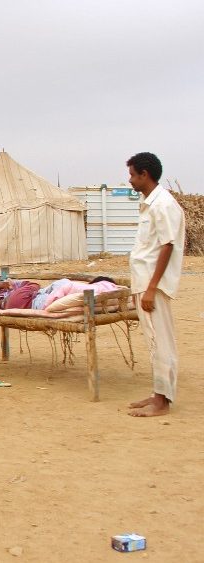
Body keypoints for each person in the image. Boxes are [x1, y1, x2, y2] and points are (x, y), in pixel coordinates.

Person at [125, 152, 185, 417]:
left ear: (144, 175)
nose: (130, 180)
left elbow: (167, 246)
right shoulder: (150, 203)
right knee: (153, 341)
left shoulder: (163, 205)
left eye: (132, 175)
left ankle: (162, 402)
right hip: (144, 283)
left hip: (153, 285)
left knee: (160, 341)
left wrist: (151, 288)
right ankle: (157, 394)